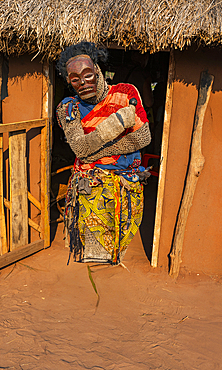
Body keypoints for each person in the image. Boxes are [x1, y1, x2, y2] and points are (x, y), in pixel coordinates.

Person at [56, 42, 151, 264]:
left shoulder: (126, 92)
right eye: (75, 78)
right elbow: (80, 148)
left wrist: (94, 152)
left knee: (120, 245)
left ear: (98, 71)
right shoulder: (68, 108)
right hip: (91, 189)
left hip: (127, 186)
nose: (83, 82)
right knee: (96, 256)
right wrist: (116, 124)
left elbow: (143, 138)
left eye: (87, 74)